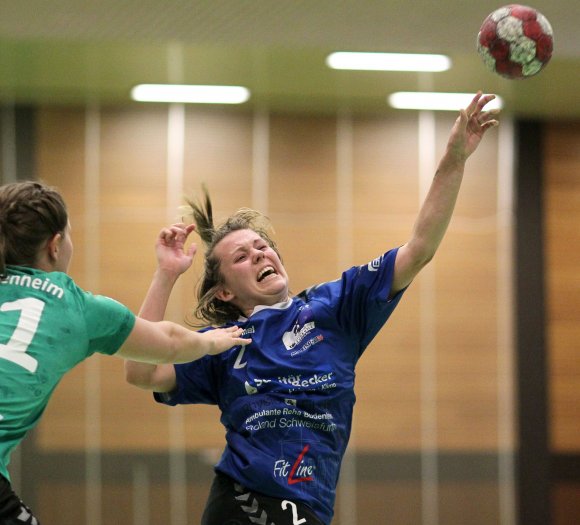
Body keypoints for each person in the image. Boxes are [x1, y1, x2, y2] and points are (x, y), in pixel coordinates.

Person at [125, 92, 500, 525]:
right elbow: (141, 371)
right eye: (243, 257)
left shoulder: (335, 307)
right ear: (224, 292)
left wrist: (455, 159)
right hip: (245, 502)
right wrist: (167, 274)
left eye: (263, 246)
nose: (261, 255)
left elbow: (418, 249)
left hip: (309, 509)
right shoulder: (221, 345)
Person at [0, 181, 251, 525]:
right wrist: (211, 342)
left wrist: (165, 273)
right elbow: (168, 344)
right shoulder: (75, 307)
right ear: (55, 245)